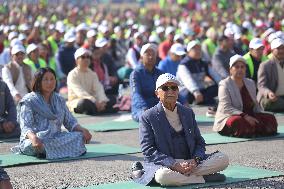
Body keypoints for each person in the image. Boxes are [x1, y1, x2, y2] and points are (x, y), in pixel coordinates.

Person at [132, 73, 229, 186]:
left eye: (174, 88)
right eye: (165, 88)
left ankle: (185, 176)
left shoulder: (187, 112)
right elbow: (148, 150)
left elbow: (199, 142)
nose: (170, 91)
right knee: (162, 176)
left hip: (191, 162)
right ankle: (204, 178)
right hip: (166, 165)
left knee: (223, 159)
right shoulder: (147, 116)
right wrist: (174, 165)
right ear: (157, 93)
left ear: (178, 92)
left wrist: (195, 160)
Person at [11, 67, 92, 159]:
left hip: (56, 138)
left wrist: (83, 130)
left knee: (79, 136)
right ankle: (50, 151)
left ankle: (47, 152)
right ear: (38, 82)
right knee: (33, 144)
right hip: (37, 139)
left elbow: (70, 122)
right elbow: (26, 126)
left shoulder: (59, 99)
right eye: (45, 79)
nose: (50, 83)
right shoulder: (29, 100)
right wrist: (34, 138)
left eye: (52, 79)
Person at [213, 55, 277, 137]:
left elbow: (254, 103)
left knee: (270, 118)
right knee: (238, 121)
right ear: (230, 70)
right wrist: (245, 116)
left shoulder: (250, 83)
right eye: (236, 67)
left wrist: (257, 115)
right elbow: (226, 107)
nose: (240, 69)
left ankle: (255, 130)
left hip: (249, 114)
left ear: (245, 69)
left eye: (242, 67)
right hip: (230, 116)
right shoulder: (224, 84)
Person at [67, 47, 118, 115]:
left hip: (94, 100)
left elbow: (98, 88)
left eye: (88, 57)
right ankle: (102, 109)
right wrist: (94, 101)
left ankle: (98, 108)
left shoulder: (92, 74)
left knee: (112, 99)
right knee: (83, 103)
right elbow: (80, 92)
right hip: (78, 100)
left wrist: (102, 100)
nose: (86, 59)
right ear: (76, 60)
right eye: (83, 57)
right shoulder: (72, 74)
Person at [177, 40, 221, 105]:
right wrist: (195, 91)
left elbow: (215, 75)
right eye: (194, 49)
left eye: (199, 49)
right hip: (188, 91)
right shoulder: (183, 65)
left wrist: (224, 85)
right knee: (187, 94)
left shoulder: (203, 63)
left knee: (219, 87)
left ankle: (201, 100)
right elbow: (188, 80)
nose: (198, 51)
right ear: (188, 52)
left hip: (201, 90)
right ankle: (201, 100)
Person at [130, 43, 164, 122]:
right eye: (148, 54)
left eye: (153, 54)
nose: (151, 57)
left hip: (158, 107)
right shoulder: (135, 74)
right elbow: (136, 94)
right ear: (141, 57)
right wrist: (144, 108)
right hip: (141, 108)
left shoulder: (160, 73)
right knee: (149, 118)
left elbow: (169, 90)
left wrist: (183, 102)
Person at [257, 38, 284, 112]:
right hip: (271, 98)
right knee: (268, 103)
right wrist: (268, 93)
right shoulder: (265, 65)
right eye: (278, 48)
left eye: (283, 48)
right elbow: (261, 86)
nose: (281, 51)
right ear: (272, 51)